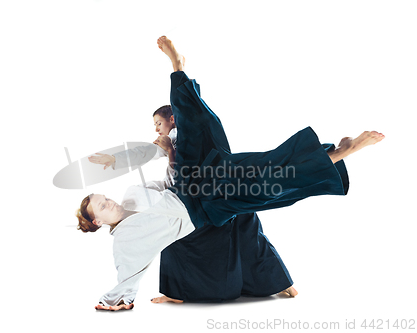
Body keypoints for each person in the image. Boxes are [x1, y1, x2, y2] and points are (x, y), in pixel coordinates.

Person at [76, 36, 384, 311]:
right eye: (103, 206)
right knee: (264, 187)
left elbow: (168, 183)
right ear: (99, 222)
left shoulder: (132, 195)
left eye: (105, 197)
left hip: (192, 185)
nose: (110, 202)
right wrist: (116, 299)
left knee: (226, 145)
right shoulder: (126, 239)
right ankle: (333, 155)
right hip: (205, 207)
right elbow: (130, 270)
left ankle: (178, 69)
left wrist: (165, 154)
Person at [89, 105, 297, 304]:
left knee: (238, 229)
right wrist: (117, 159)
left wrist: (119, 158)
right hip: (208, 198)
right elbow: (149, 153)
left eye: (158, 123)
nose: (156, 129)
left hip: (205, 200)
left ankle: (180, 292)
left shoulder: (183, 136)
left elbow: (162, 159)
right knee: (247, 233)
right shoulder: (178, 137)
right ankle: (280, 284)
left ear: (172, 119)